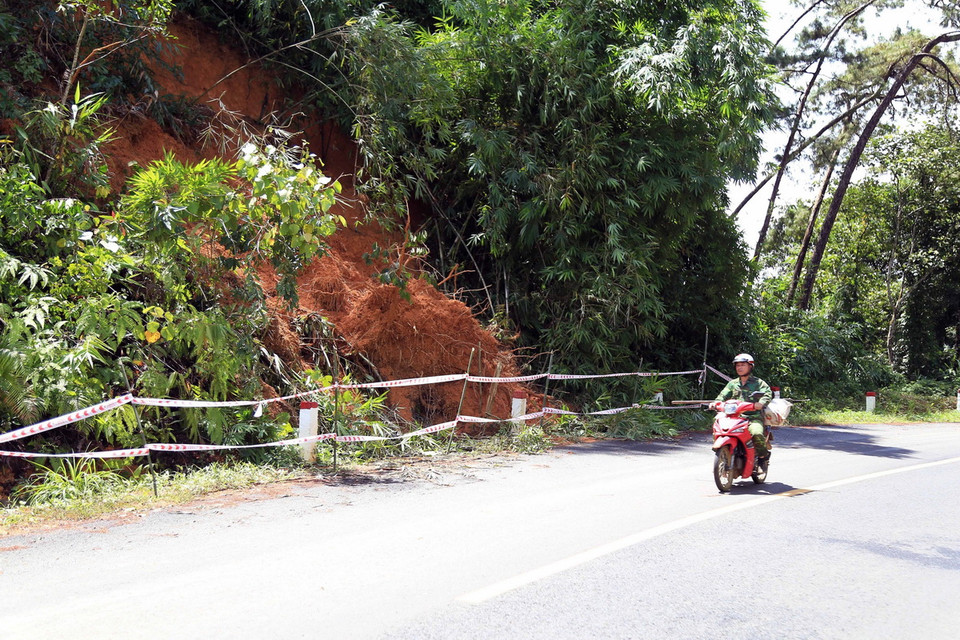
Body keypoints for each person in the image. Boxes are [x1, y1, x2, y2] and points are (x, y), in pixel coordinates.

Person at [713, 353, 772, 458]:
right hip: (734, 417)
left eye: (742, 365)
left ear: (750, 366)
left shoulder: (759, 383)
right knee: (717, 423)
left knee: (756, 433)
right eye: (737, 365)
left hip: (753, 417)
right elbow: (722, 395)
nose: (739, 368)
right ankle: (723, 450)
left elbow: (767, 394)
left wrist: (761, 403)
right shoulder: (733, 383)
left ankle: (763, 457)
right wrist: (716, 403)